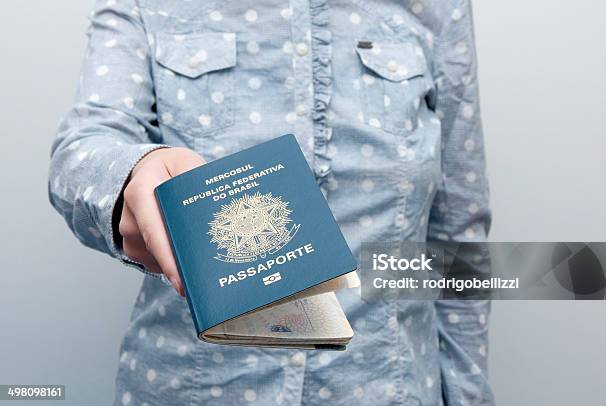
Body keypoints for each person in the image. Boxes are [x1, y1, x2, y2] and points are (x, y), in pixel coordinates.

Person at [49, 0, 493, 404]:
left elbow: (458, 239)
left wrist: (469, 397)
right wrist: (133, 173)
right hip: (193, 387)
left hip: (387, 388)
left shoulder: (438, 8)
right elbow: (82, 149)